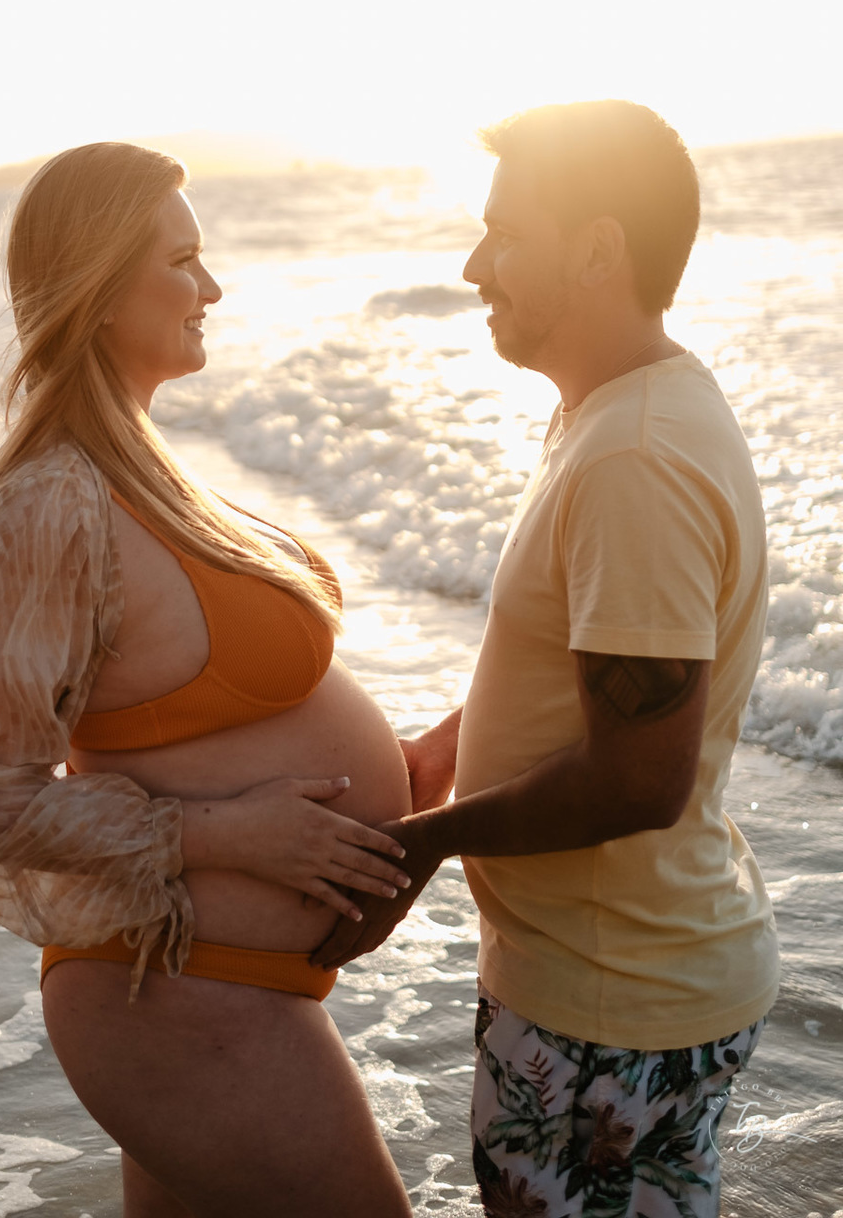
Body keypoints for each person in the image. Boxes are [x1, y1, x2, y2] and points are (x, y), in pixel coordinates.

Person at [0, 140, 429, 1218]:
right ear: (101, 290)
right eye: (183, 261)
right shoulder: (50, 500)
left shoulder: (141, 469)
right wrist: (223, 837)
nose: (213, 287)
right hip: (174, 1000)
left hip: (206, 990)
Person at [314, 100, 779, 1218]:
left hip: (614, 998)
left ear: (597, 251)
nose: (474, 266)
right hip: (618, 975)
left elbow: (640, 778)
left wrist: (421, 848)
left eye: (504, 235)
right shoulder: (612, 413)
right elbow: (587, 687)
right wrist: (440, 755)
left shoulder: (638, 458)